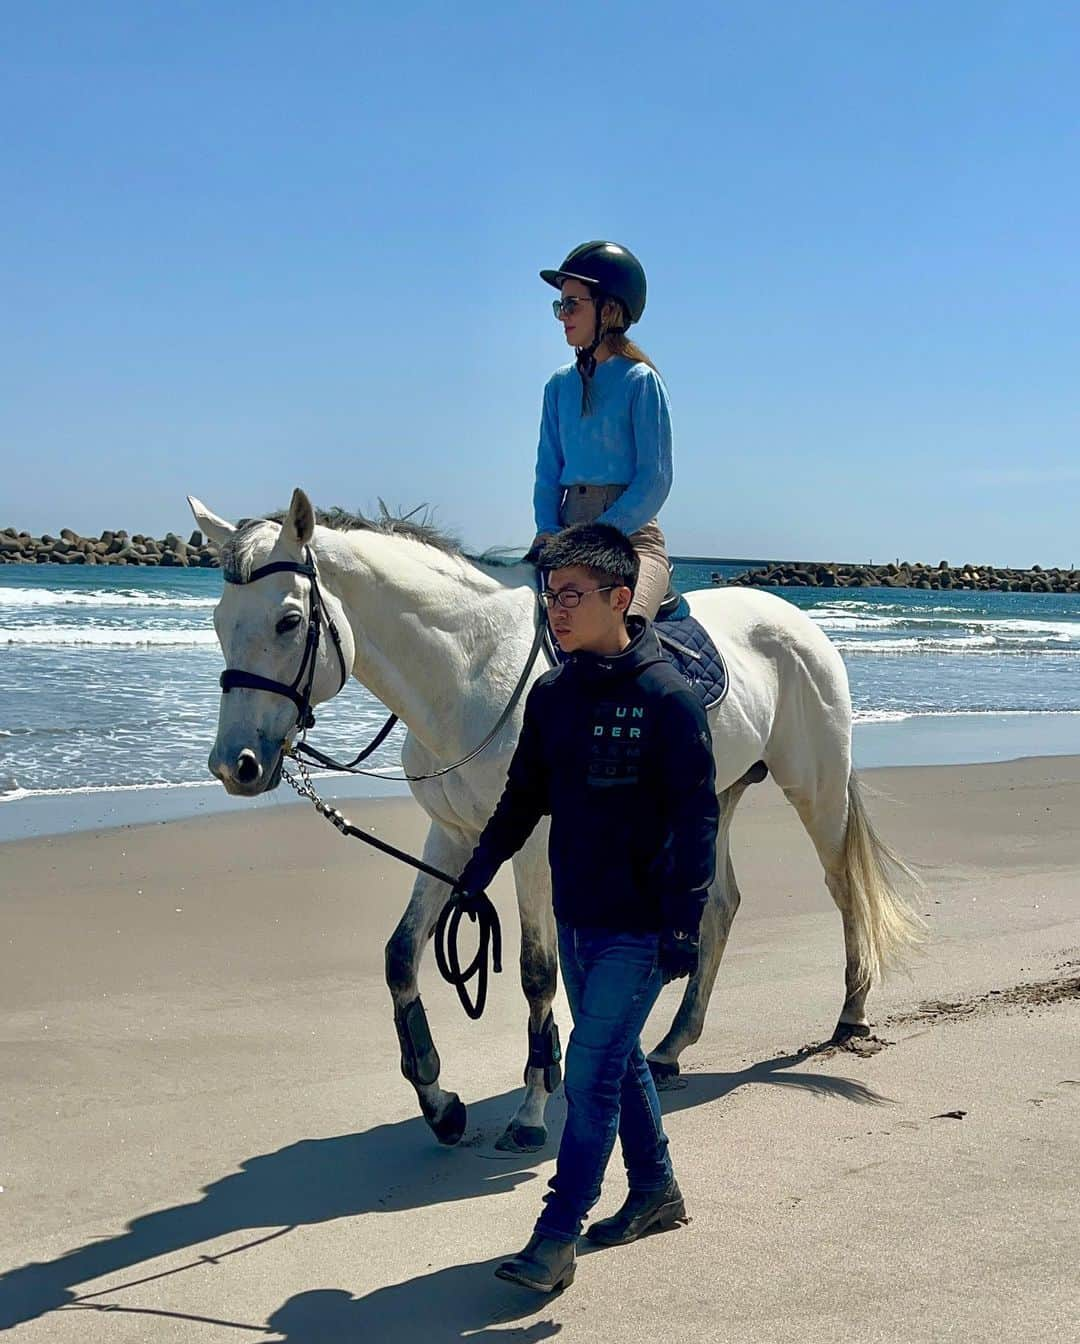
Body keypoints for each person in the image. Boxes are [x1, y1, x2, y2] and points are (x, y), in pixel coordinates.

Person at [454, 522, 719, 1293]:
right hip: (577, 915)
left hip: (642, 926)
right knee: (618, 1054)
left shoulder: (667, 697)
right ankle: (657, 1191)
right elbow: (523, 796)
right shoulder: (555, 695)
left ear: (621, 598)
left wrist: (684, 923)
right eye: (549, 595)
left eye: (571, 595)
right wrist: (476, 871)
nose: (555, 610)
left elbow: (698, 816)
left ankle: (556, 1233)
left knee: (590, 1071)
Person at [528, 241, 674, 621]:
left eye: (573, 304)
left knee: (629, 628)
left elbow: (654, 481)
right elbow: (547, 475)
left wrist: (599, 534)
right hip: (564, 535)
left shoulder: (641, 381)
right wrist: (547, 529)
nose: (563, 316)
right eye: (561, 305)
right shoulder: (557, 387)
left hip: (632, 538)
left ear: (608, 309)